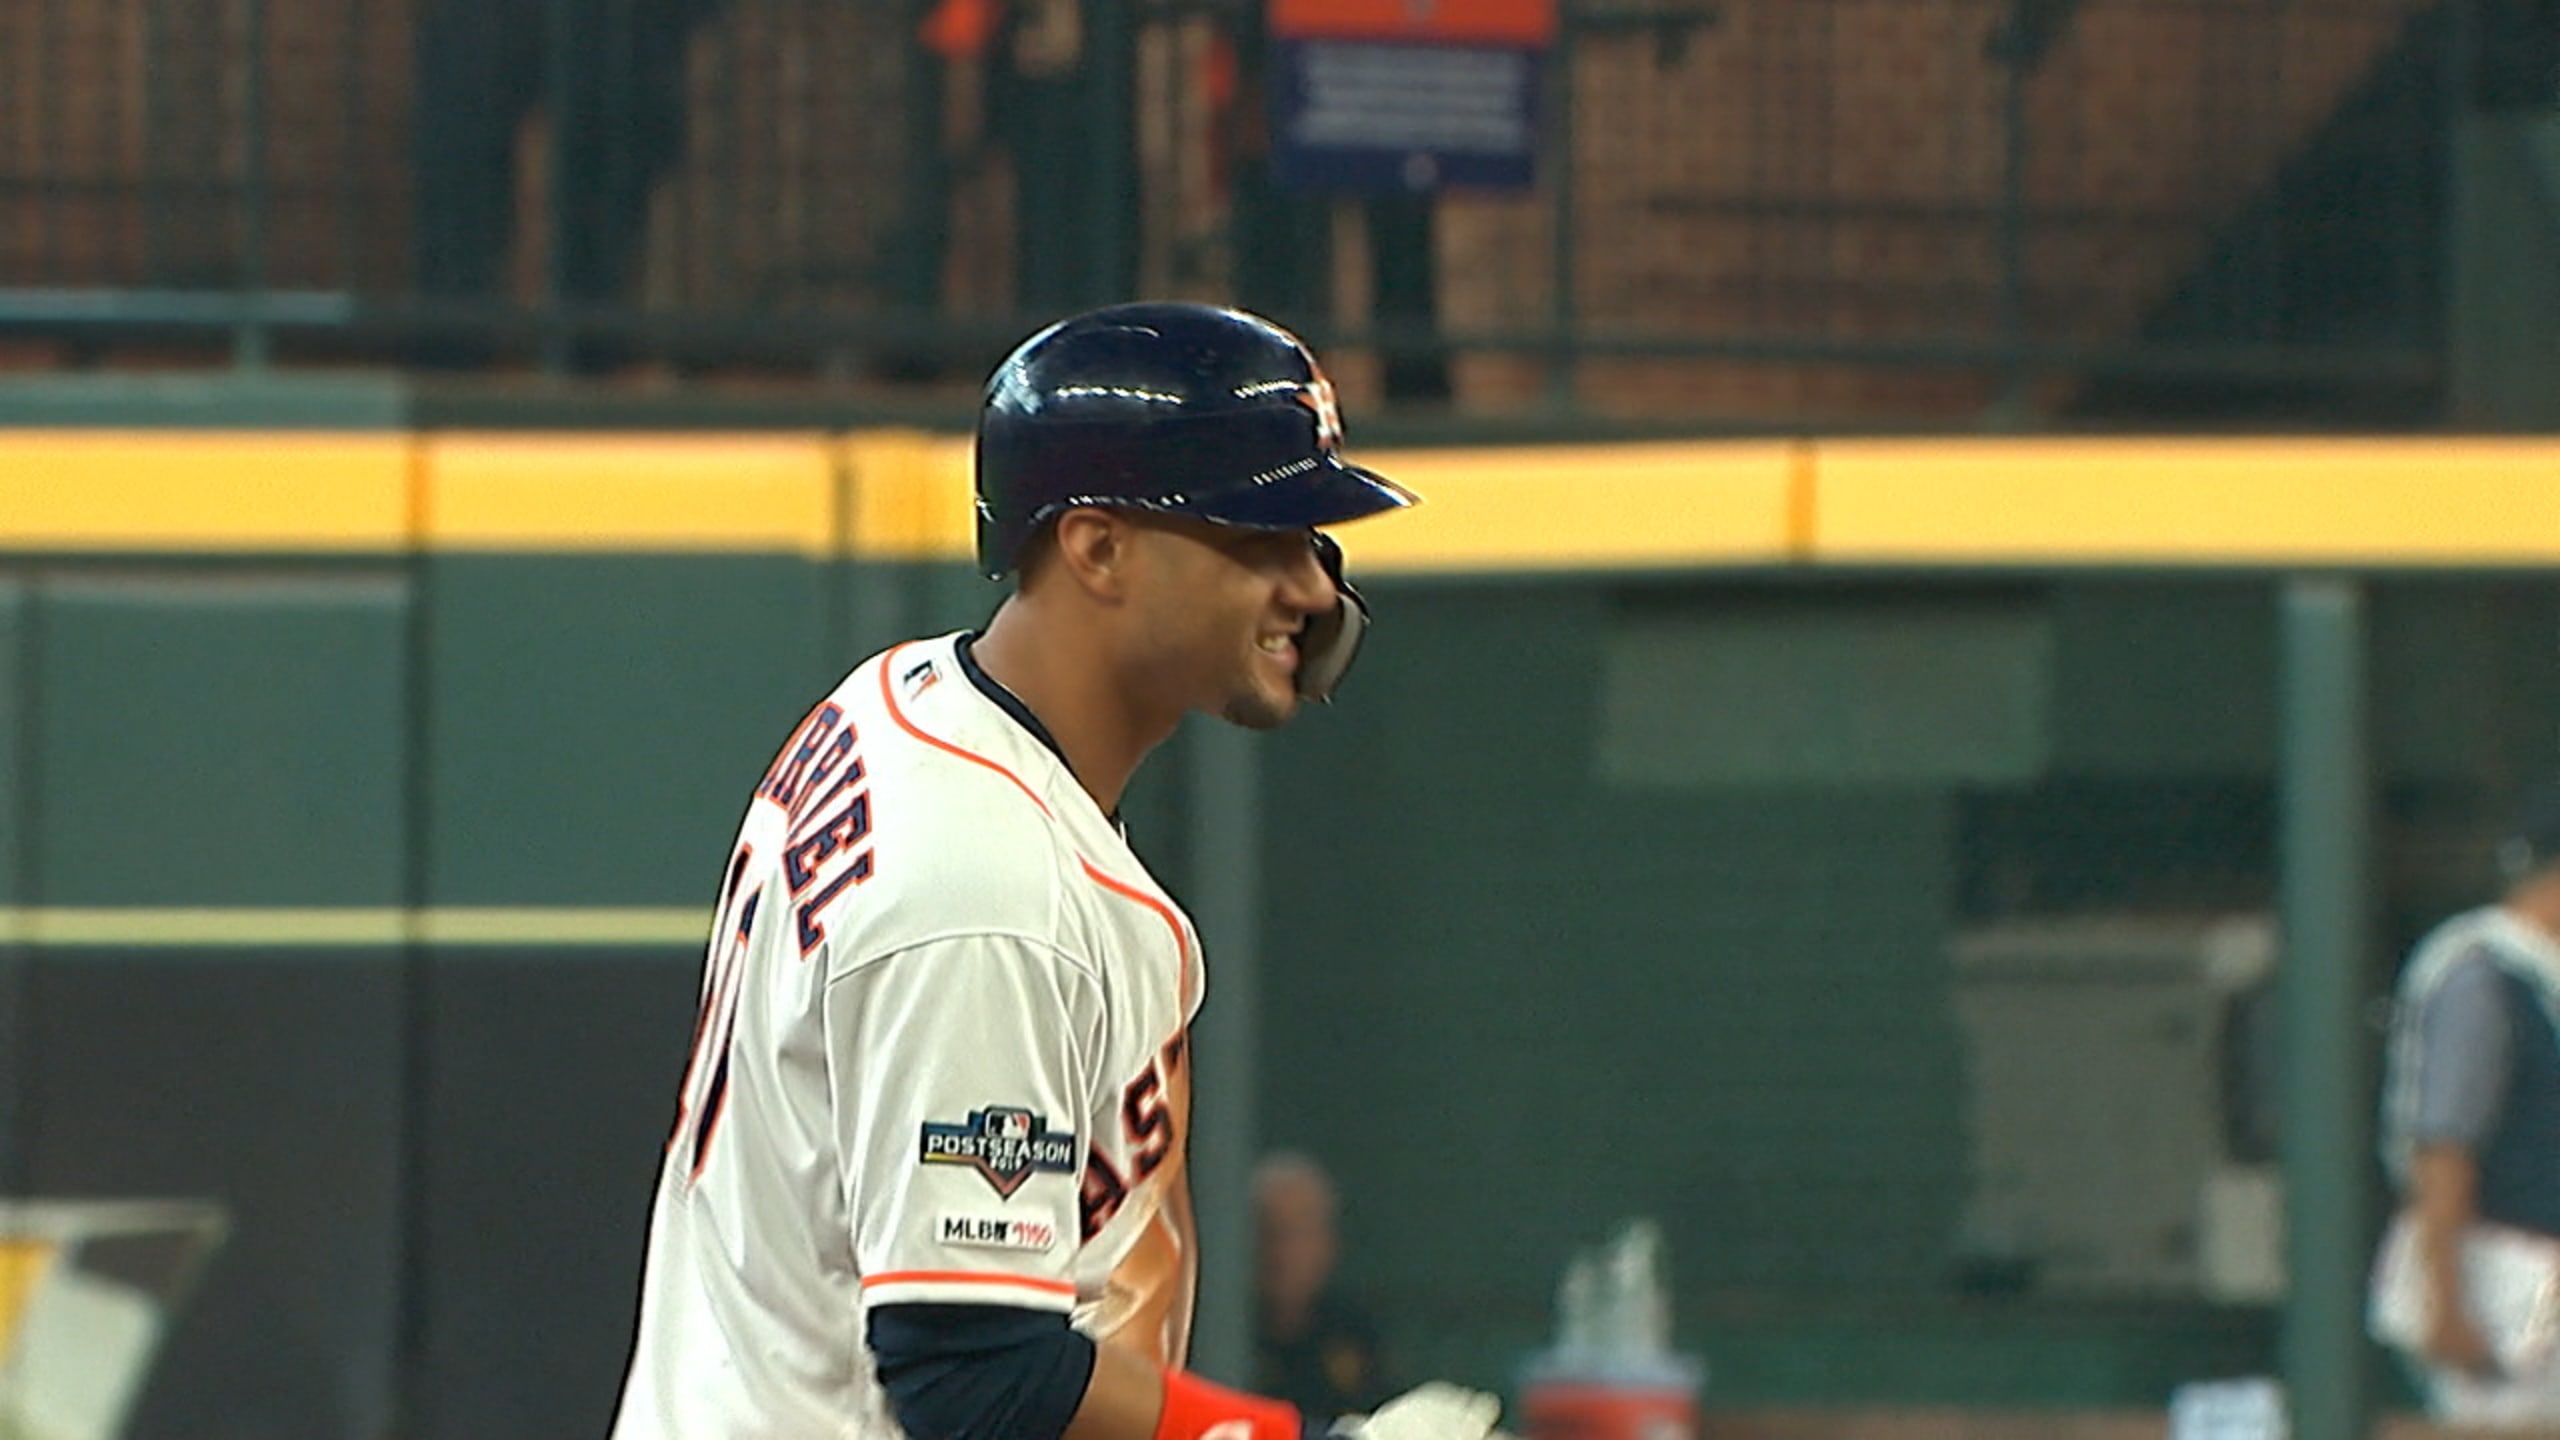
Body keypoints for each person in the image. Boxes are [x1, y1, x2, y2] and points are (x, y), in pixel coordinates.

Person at [608, 301, 1502, 1440]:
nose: (1315, 592)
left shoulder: (908, 702)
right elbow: (970, 1372)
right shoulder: (983, 887)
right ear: (1097, 548)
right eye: (1258, 540)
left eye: (1315, 545)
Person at [2377, 781, 2560, 1425]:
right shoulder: (2481, 974)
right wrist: (2445, 1302)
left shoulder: (2543, 975)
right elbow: (2445, 1147)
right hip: (2499, 1275)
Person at [1254, 1152, 1393, 1422]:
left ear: (1328, 1243)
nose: (1282, 1251)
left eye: (1299, 1232)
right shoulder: (1214, 1335)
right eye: (1269, 1231)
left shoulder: (1355, 1334)